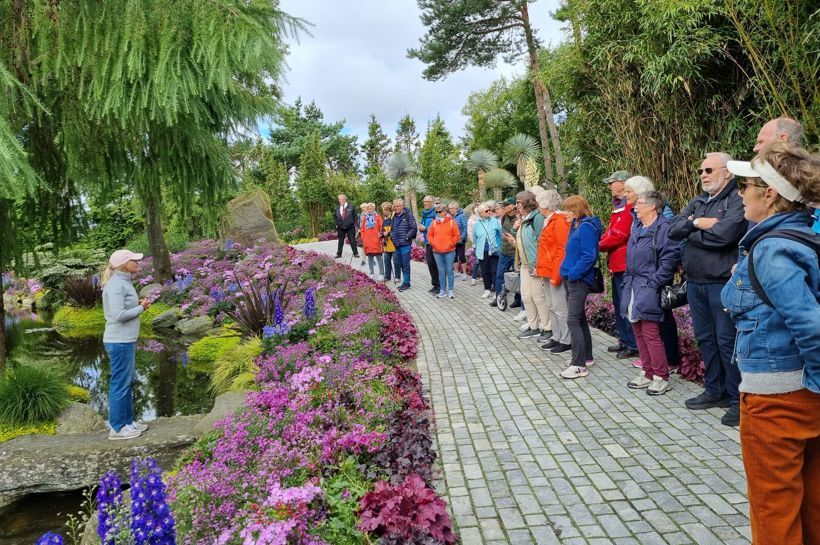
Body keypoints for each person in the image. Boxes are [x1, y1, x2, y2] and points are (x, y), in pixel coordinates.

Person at [721, 142, 820, 545]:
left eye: (745, 185)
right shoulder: (803, 239)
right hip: (803, 396)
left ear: (770, 193)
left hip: (777, 399)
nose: (740, 193)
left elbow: (810, 323)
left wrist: (815, 381)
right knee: (812, 503)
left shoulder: (771, 249)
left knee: (773, 509)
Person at [669, 152, 747, 426]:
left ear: (727, 172)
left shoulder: (738, 199)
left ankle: (738, 400)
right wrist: (697, 223)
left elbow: (725, 236)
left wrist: (691, 231)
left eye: (709, 170)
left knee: (727, 342)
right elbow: (673, 229)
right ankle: (715, 391)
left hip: (721, 283)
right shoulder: (700, 201)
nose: (703, 175)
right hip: (696, 283)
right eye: (701, 170)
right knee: (706, 339)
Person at [622, 191, 680, 395]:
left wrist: (653, 283)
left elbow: (669, 260)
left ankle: (661, 376)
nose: (635, 207)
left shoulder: (664, 227)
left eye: (639, 203)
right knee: (637, 329)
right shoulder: (637, 226)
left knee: (651, 332)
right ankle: (647, 373)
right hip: (632, 284)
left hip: (649, 285)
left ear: (652, 206)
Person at [101, 249, 151, 440]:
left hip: (125, 340)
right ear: (123, 265)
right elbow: (118, 315)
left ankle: (128, 422)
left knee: (126, 383)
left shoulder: (123, 282)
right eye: (133, 260)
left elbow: (122, 308)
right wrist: (141, 308)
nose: (137, 263)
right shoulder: (115, 285)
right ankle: (117, 428)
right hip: (119, 341)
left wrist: (137, 305)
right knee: (120, 384)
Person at [559, 196, 602, 379]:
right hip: (571, 277)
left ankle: (579, 365)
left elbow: (588, 256)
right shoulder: (576, 225)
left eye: (569, 210)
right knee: (580, 319)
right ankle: (586, 356)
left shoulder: (586, 227)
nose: (565, 213)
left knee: (573, 321)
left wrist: (574, 273)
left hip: (579, 280)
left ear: (577, 209)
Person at [599, 170, 639, 360]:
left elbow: (620, 234)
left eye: (611, 182)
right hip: (617, 263)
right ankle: (624, 340)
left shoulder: (629, 206)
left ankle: (632, 344)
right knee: (618, 303)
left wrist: (598, 245)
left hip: (625, 263)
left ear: (623, 184)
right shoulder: (618, 206)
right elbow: (611, 231)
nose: (608, 186)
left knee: (626, 304)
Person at [535, 190, 571, 354]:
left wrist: (556, 274)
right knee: (551, 306)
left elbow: (561, 250)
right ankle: (557, 337)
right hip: (547, 270)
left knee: (560, 307)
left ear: (546, 205)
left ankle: (566, 339)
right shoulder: (549, 220)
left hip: (555, 271)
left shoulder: (560, 221)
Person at [513, 191, 550, 340]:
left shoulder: (537, 217)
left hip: (535, 264)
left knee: (539, 297)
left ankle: (548, 327)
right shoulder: (525, 218)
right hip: (525, 264)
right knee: (527, 297)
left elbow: (541, 242)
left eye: (519, 203)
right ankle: (533, 326)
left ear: (527, 202)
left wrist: (538, 264)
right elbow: (525, 241)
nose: (517, 206)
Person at [427, 203, 461, 299]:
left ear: (445, 212)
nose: (438, 213)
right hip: (437, 251)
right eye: (437, 212)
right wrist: (434, 243)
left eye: (440, 211)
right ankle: (442, 290)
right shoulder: (434, 223)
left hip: (449, 251)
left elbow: (457, 235)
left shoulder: (451, 222)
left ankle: (450, 290)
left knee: (449, 270)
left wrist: (451, 243)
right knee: (441, 271)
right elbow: (429, 235)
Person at [495, 197, 521, 309]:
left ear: (513, 206)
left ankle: (518, 300)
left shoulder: (519, 218)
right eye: (503, 205)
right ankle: (497, 298)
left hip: (515, 252)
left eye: (506, 205)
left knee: (518, 277)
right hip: (504, 252)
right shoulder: (504, 217)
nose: (504, 207)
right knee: (499, 276)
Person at [472, 202, 502, 299]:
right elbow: (475, 238)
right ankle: (487, 290)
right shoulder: (476, 224)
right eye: (486, 211)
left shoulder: (495, 221)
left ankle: (497, 291)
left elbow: (500, 235)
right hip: (482, 251)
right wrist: (477, 249)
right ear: (481, 213)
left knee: (494, 271)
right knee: (485, 272)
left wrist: (499, 246)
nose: (489, 212)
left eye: (489, 210)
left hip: (493, 251)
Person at [390, 198, 417, 292]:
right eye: (394, 206)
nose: (395, 208)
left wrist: (406, 237)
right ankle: (404, 282)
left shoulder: (408, 215)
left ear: (402, 206)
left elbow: (413, 228)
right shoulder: (394, 216)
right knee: (400, 264)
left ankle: (407, 283)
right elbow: (392, 229)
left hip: (405, 244)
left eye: (397, 206)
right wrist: (392, 237)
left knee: (405, 264)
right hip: (397, 244)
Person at [418, 195, 440, 294]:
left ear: (432, 202)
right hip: (428, 242)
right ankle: (434, 284)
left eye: (427, 202)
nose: (425, 203)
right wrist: (421, 228)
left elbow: (438, 227)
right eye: (424, 202)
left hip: (436, 242)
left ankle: (440, 285)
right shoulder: (424, 213)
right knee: (430, 263)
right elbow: (422, 225)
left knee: (437, 264)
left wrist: (426, 229)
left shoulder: (436, 212)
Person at [359, 203, 384, 281]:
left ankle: (381, 273)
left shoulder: (378, 217)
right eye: (368, 208)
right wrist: (363, 238)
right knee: (370, 258)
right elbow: (362, 229)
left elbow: (382, 228)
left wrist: (381, 235)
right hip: (368, 241)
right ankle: (372, 273)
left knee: (379, 257)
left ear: (374, 209)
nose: (369, 210)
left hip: (376, 241)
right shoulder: (365, 219)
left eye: (371, 208)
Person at [334, 194, 359, 259]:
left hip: (350, 227)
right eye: (339, 199)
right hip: (340, 227)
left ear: (345, 199)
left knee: (352, 240)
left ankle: (355, 253)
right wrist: (336, 224)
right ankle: (339, 254)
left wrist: (354, 224)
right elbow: (335, 217)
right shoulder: (337, 208)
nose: (340, 200)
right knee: (340, 240)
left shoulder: (351, 206)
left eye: (342, 199)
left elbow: (355, 216)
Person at [381, 202, 399, 285]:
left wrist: (388, 233)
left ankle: (397, 276)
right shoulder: (385, 219)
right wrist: (381, 234)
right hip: (387, 244)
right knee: (386, 260)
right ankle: (387, 276)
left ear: (388, 210)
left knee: (396, 261)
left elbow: (395, 230)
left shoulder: (394, 218)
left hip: (394, 243)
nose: (383, 212)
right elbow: (383, 230)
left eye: (384, 210)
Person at [449, 201, 468, 280]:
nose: (450, 210)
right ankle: (456, 272)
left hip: (460, 240)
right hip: (453, 240)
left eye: (451, 208)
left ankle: (464, 273)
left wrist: (462, 238)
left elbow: (465, 228)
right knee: (454, 256)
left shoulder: (462, 216)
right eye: (449, 208)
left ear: (456, 209)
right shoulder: (451, 217)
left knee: (461, 256)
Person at [465, 204, 480, 285]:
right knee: (477, 261)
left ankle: (482, 277)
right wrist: (475, 241)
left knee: (484, 261)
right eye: (476, 209)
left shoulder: (483, 218)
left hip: (485, 243)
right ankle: (474, 278)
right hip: (476, 244)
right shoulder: (471, 220)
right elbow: (470, 233)